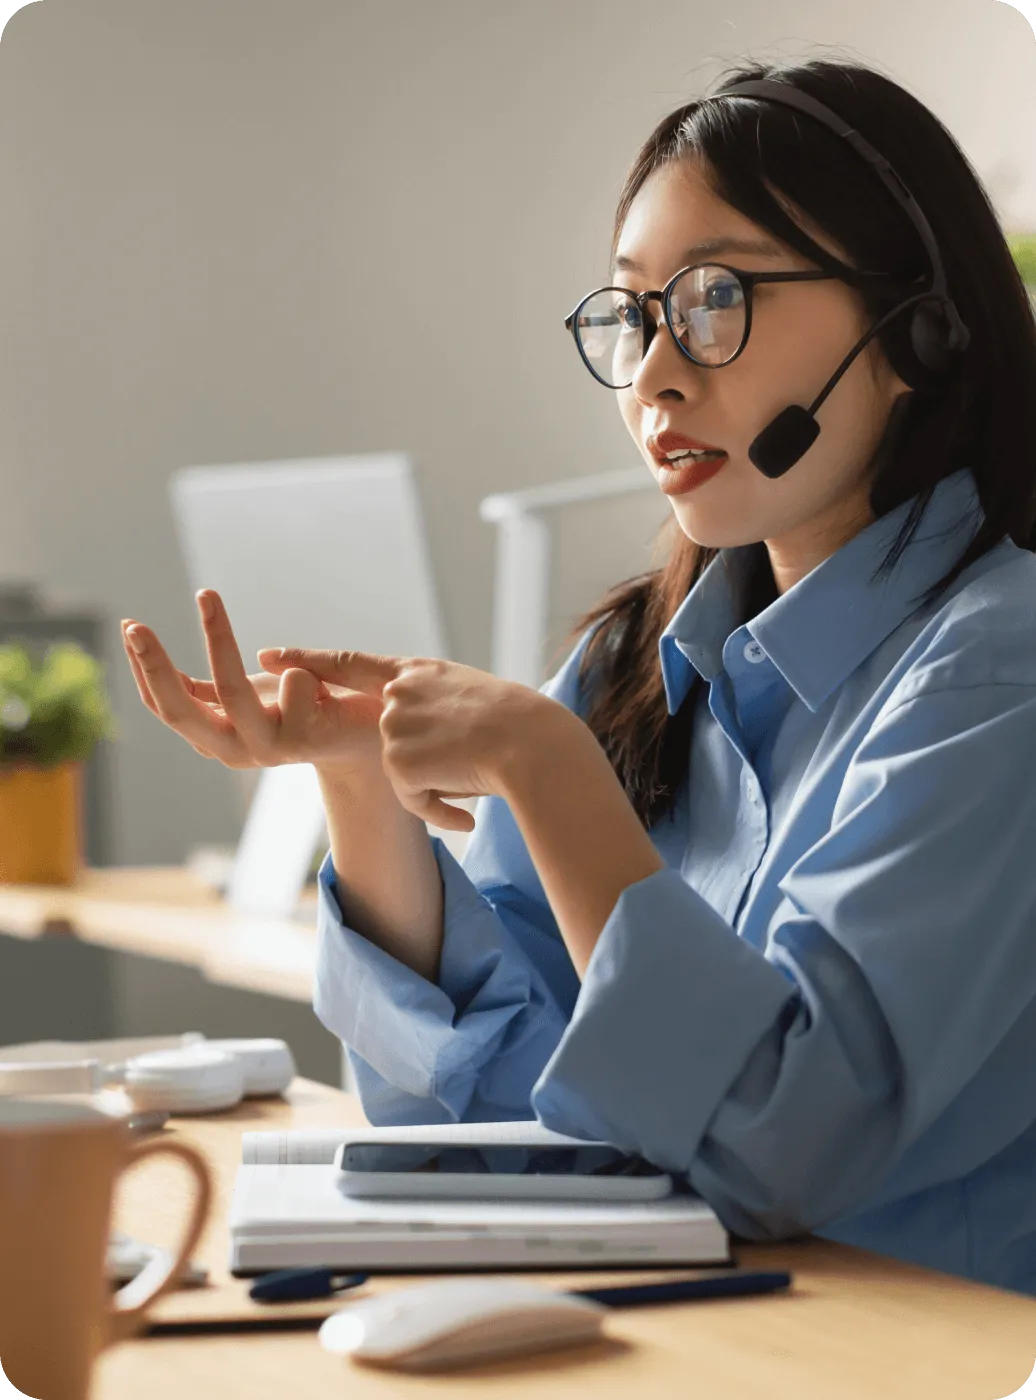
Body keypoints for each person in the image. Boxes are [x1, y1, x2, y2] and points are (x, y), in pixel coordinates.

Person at [122, 55, 1036, 1297]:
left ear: (916, 324)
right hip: (684, 1335)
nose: (655, 372)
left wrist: (544, 769)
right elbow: (493, 1097)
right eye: (633, 314)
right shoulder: (632, 660)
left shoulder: (996, 662)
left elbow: (781, 1143)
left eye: (715, 298)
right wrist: (362, 782)